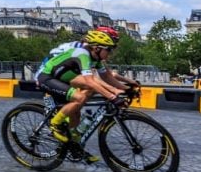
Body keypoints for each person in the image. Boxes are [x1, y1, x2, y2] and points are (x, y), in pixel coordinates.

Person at [36, 30, 136, 164]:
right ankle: (55, 124)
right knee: (80, 98)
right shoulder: (83, 54)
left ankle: (73, 145)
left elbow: (106, 76)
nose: (111, 53)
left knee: (76, 115)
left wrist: (126, 89)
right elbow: (90, 81)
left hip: (64, 77)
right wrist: (112, 96)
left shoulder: (97, 59)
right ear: (97, 48)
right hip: (47, 77)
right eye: (109, 50)